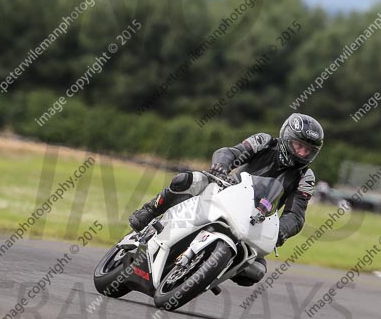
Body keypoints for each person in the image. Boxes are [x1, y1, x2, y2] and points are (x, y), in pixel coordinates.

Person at [128, 113, 323, 286]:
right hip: (226, 189)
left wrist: (282, 230)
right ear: (287, 137)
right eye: (299, 146)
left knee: (255, 272)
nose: (303, 153)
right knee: (187, 180)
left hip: (257, 217)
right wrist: (222, 166)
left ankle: (210, 269)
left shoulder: (306, 177)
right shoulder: (264, 142)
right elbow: (231, 152)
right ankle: (150, 211)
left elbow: (296, 215)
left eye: (309, 150)